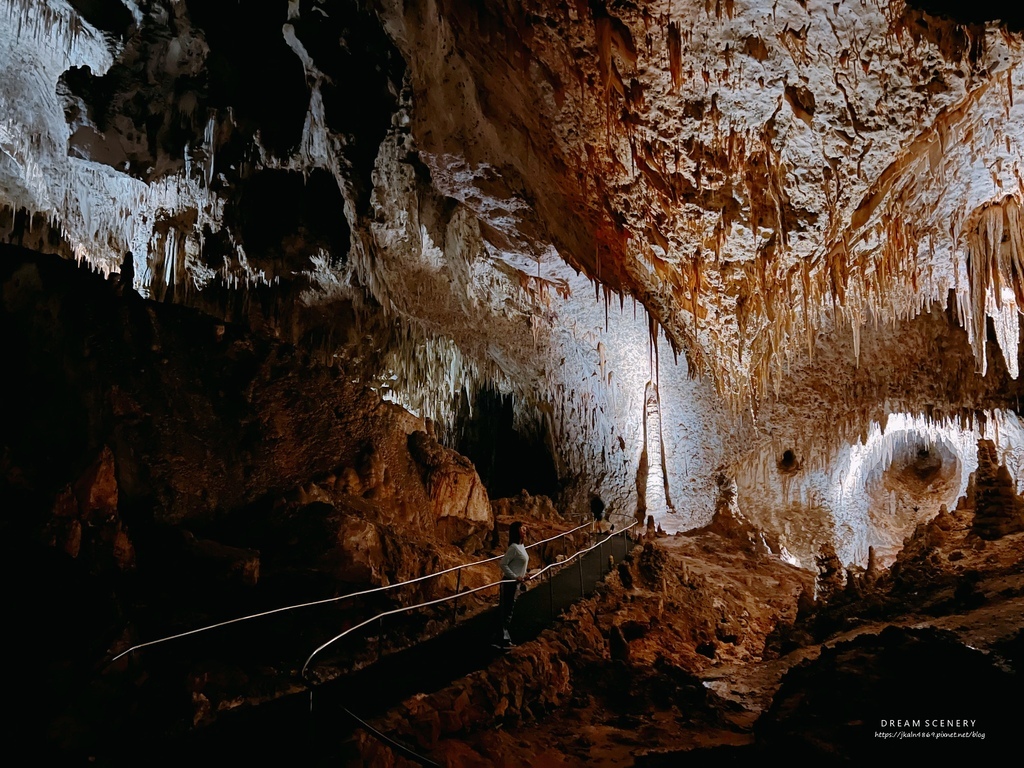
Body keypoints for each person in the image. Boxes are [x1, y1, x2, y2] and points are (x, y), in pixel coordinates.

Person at [494, 521, 530, 649]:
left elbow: (520, 564)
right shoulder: (514, 547)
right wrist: (515, 577)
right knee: (506, 611)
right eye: (522, 528)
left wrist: (524, 575)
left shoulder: (521, 546)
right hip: (510, 583)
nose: (525, 530)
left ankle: (503, 639)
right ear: (517, 531)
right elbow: (503, 564)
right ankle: (502, 641)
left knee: (509, 610)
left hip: (516, 583)